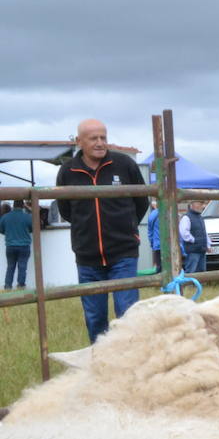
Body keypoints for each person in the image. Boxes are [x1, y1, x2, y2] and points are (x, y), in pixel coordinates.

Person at [56, 118, 149, 342]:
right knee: (95, 317)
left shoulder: (124, 164)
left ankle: (129, 363)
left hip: (123, 254)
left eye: (103, 137)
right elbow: (66, 210)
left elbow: (141, 201)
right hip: (88, 258)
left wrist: (127, 229)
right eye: (93, 138)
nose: (100, 143)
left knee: (127, 315)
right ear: (79, 142)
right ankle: (100, 363)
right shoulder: (67, 171)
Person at [1, 199, 33, 290]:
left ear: (13, 205)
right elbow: (33, 228)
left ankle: (7, 286)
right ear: (23, 205)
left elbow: (1, 229)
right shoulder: (27, 217)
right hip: (24, 246)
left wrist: (8, 233)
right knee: (22, 267)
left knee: (10, 267)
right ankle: (21, 286)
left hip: (10, 246)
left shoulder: (6, 217)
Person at [178, 200, 209, 274]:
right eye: (200, 203)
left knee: (201, 271)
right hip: (192, 250)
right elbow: (184, 233)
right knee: (191, 270)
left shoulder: (200, 217)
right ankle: (188, 285)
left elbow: (204, 232)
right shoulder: (186, 217)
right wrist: (194, 240)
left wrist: (207, 244)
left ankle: (199, 285)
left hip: (201, 249)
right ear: (192, 204)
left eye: (202, 204)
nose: (203, 206)